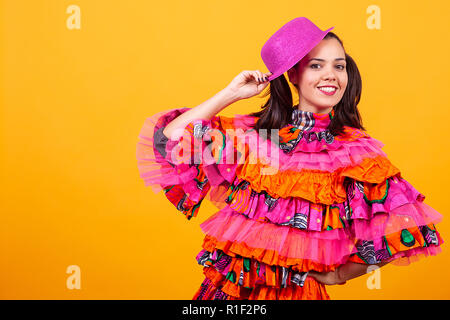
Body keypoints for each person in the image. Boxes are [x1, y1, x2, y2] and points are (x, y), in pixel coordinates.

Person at [136, 17, 444, 300]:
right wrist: (230, 94)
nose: (331, 75)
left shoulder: (354, 152)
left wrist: (340, 275)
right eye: (316, 66)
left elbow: (404, 228)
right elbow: (172, 139)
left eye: (339, 66)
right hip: (229, 294)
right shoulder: (258, 138)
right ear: (293, 74)